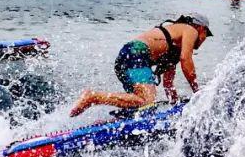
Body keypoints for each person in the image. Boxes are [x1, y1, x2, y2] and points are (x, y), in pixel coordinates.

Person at [69, 14, 212, 117]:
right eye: (206, 34)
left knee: (142, 106)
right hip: (136, 54)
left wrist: (174, 104)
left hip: (126, 58)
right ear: (201, 28)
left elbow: (168, 84)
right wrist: (197, 93)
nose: (203, 40)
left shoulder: (172, 47)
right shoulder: (190, 29)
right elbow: (186, 61)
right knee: (147, 102)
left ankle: (117, 117)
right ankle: (94, 97)